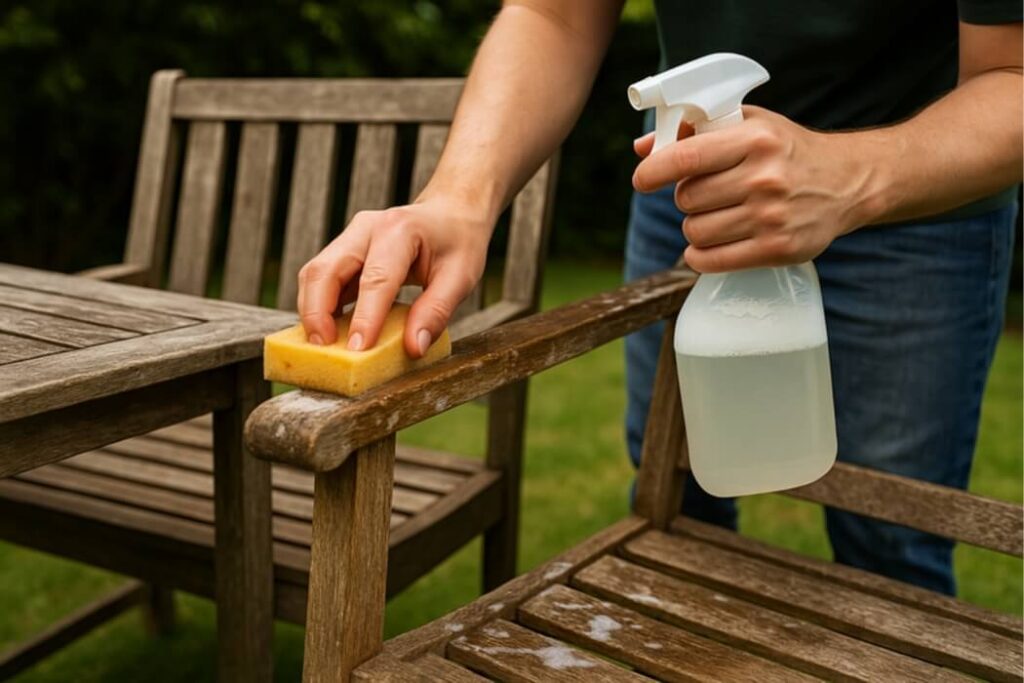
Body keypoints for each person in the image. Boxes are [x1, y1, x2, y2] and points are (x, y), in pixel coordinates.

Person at [296, 2, 1022, 595]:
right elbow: (555, 15)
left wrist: (854, 175)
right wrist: (458, 198)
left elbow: (1011, 72)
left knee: (891, 535)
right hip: (691, 189)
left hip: (919, 204)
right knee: (675, 490)